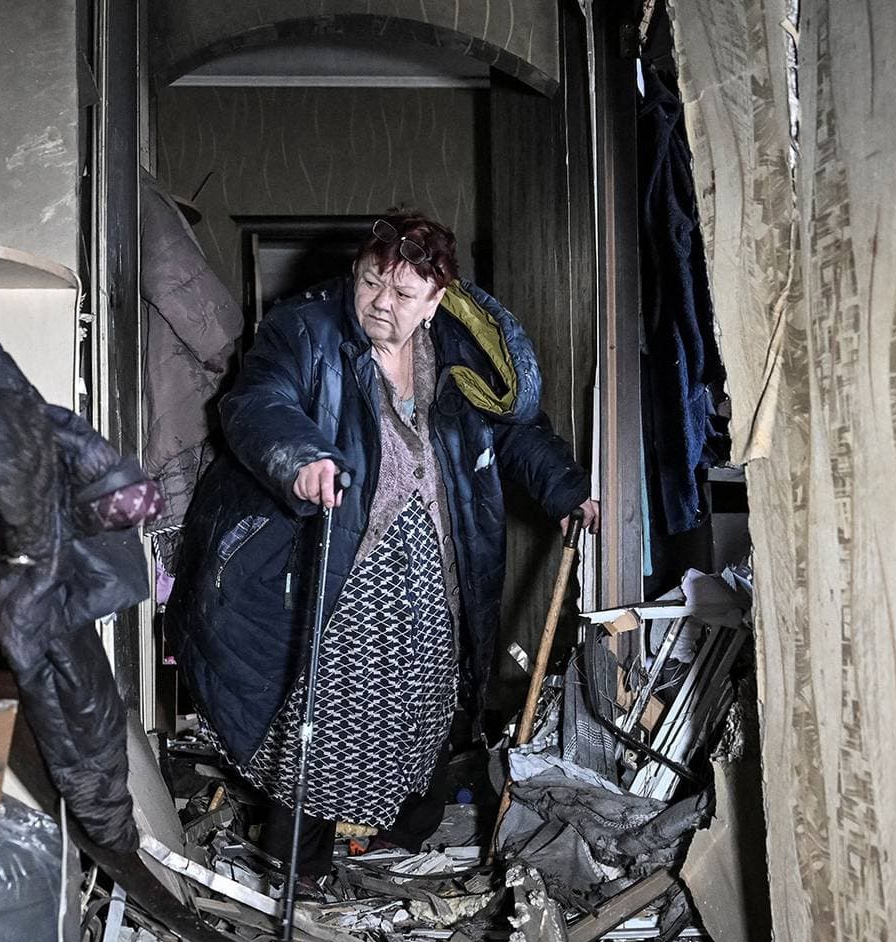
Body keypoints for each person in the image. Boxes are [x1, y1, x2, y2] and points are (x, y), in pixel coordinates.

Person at [167, 211, 598, 888]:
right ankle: (298, 867)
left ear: (436, 298)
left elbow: (514, 431)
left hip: (434, 568)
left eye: (402, 293)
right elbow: (258, 401)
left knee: (425, 708)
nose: (380, 303)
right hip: (343, 562)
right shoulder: (306, 330)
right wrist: (300, 458)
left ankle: (400, 851)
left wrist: (565, 490)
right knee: (322, 715)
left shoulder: (459, 348)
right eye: (371, 282)